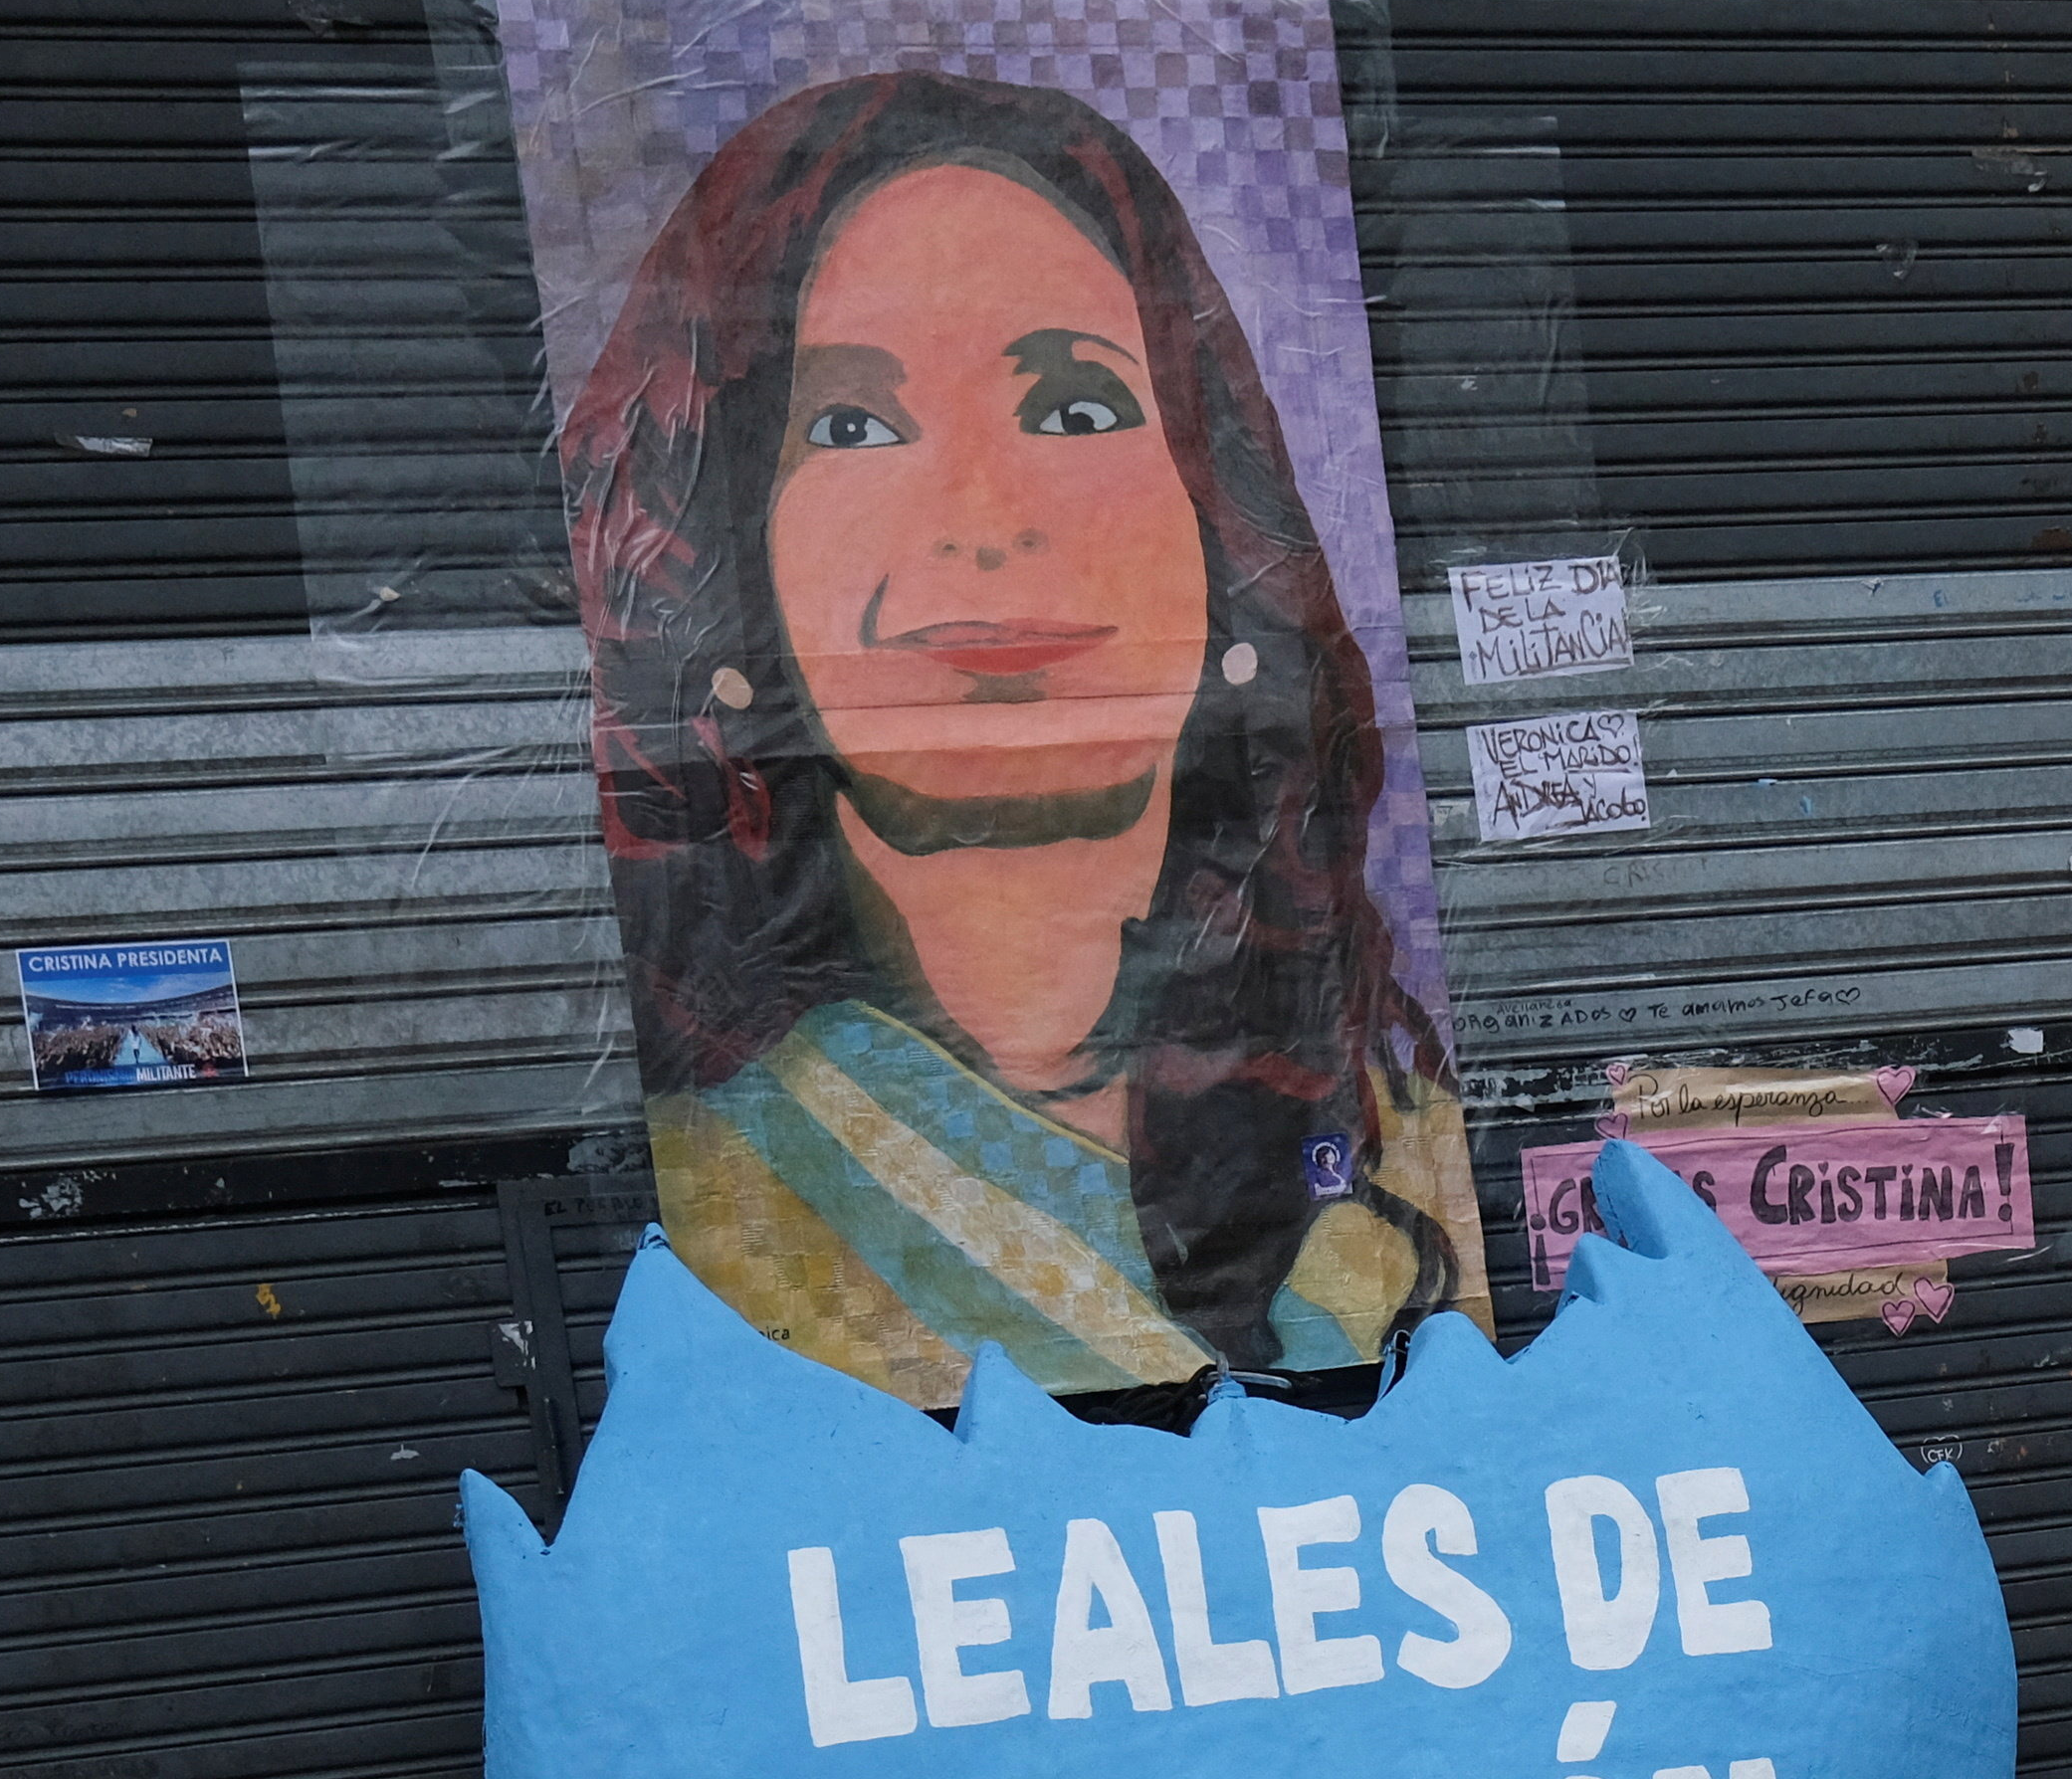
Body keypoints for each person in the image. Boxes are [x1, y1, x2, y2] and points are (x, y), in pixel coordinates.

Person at [560, 70, 1481, 1410]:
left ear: (1220, 532)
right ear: (735, 589)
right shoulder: (709, 1206)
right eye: (854, 424)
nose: (981, 518)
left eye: (1075, 407)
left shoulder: (1408, 1152)